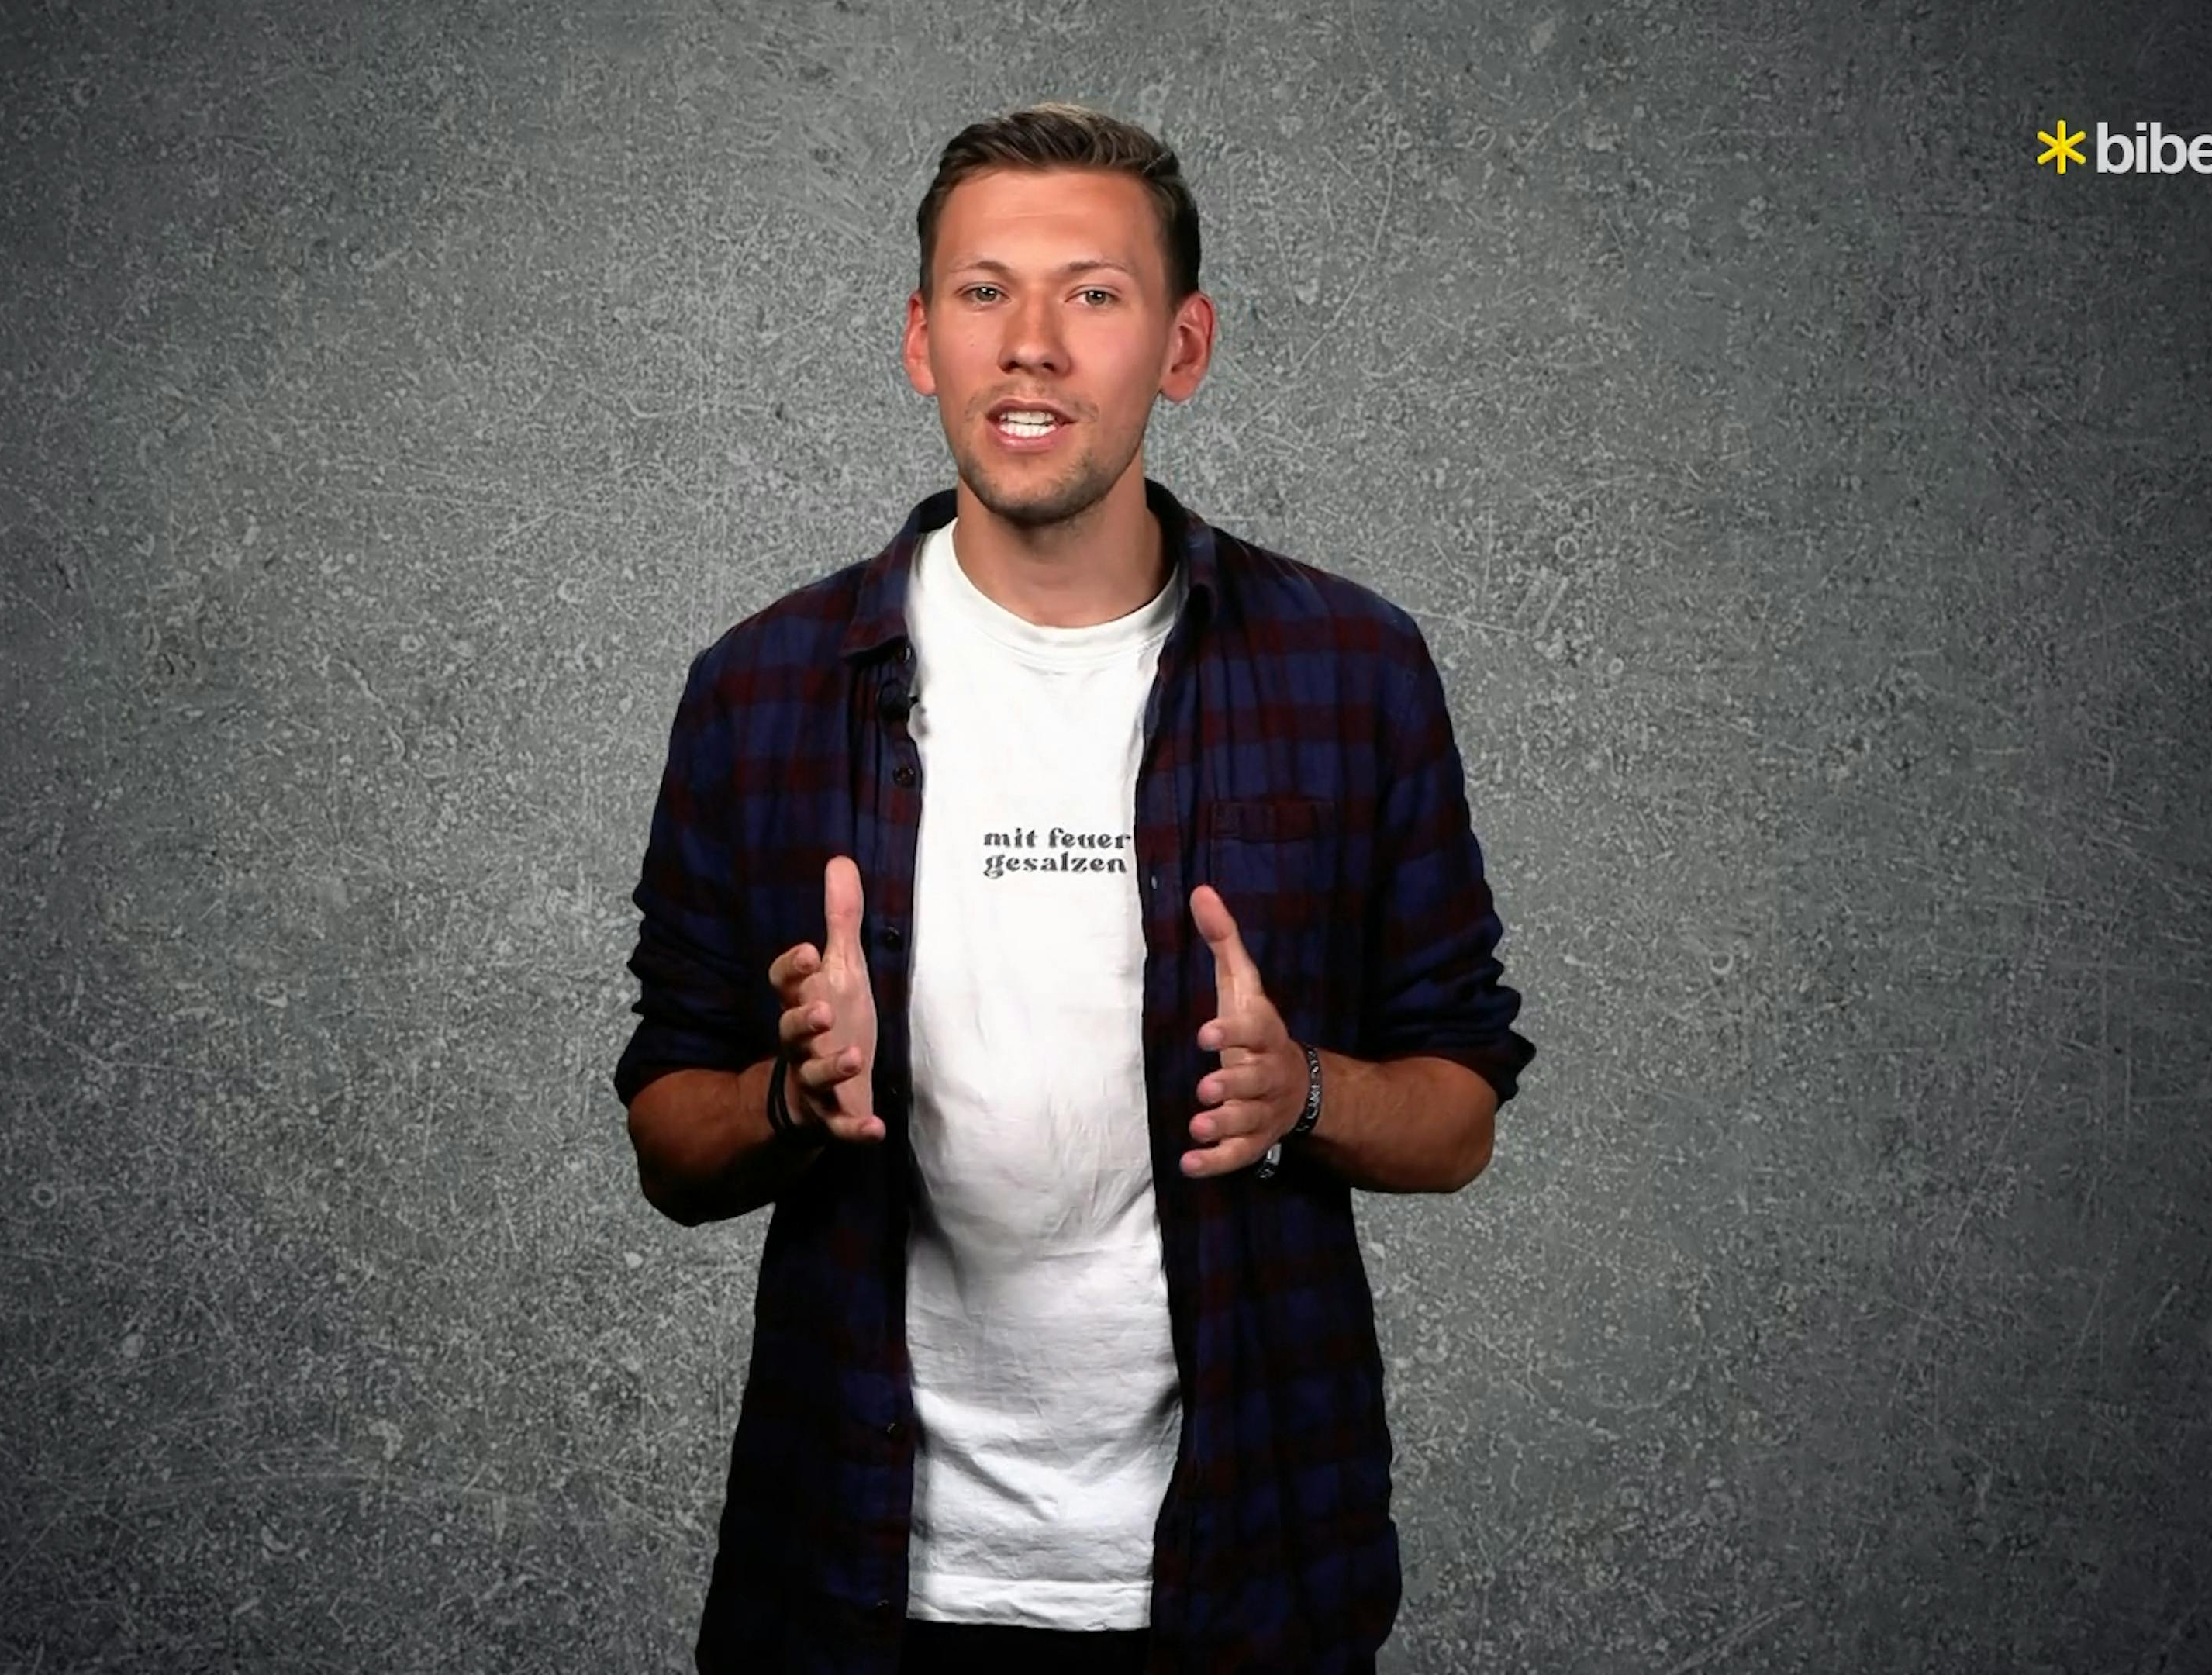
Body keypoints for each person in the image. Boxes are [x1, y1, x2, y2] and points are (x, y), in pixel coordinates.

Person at [614, 102, 1537, 1675]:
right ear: (922, 340)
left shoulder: (1352, 670)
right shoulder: (763, 689)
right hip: (854, 1587)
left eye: (1092, 293)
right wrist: (790, 1093)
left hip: (1245, 1582)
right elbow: (667, 1142)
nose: (1029, 342)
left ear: (1183, 346)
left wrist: (1304, 1092)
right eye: (984, 291)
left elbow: (1458, 1113)